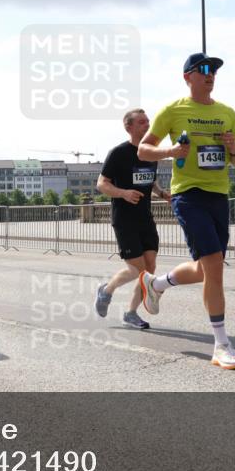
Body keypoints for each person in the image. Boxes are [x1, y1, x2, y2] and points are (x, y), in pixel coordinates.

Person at [137, 52, 235, 370]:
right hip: (188, 195)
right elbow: (145, 149)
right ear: (188, 76)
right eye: (203, 70)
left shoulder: (227, 113)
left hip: (219, 195)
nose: (210, 74)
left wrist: (233, 148)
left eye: (213, 70)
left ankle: (155, 284)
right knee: (215, 267)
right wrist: (171, 151)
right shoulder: (174, 110)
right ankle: (222, 345)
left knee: (206, 269)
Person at [95, 108, 171, 329]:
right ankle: (106, 290)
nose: (147, 125)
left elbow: (151, 180)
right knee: (137, 270)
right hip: (124, 219)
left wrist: (162, 193)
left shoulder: (151, 152)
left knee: (149, 269)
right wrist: (123, 193)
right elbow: (101, 184)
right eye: (141, 122)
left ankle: (131, 313)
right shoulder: (118, 153)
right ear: (128, 127)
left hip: (145, 217)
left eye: (148, 121)